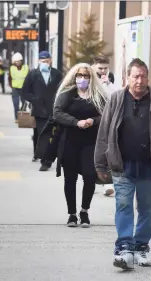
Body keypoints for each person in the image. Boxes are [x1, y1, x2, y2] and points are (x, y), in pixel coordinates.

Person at [94, 58, 151, 269]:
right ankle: (125, 247)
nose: (139, 80)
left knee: (146, 209)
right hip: (122, 165)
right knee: (124, 205)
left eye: (143, 76)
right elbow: (104, 132)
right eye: (135, 76)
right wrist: (100, 164)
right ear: (127, 78)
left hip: (150, 166)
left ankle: (141, 246)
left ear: (148, 78)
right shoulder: (116, 99)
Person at [53, 63, 107, 228]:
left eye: (86, 76)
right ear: (74, 77)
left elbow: (105, 115)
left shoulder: (97, 96)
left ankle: (84, 211)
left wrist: (93, 120)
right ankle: (72, 214)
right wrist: (76, 122)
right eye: (79, 76)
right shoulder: (67, 94)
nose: (82, 79)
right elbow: (57, 113)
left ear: (91, 78)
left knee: (90, 176)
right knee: (70, 179)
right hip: (70, 141)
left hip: (91, 143)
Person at [22, 51, 63, 171]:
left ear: (51, 61)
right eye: (42, 61)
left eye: (47, 61)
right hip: (39, 110)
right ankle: (45, 160)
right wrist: (35, 99)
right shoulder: (33, 74)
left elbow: (62, 89)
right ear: (39, 61)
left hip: (53, 109)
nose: (45, 63)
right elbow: (25, 92)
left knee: (50, 134)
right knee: (41, 134)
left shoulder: (56, 74)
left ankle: (46, 158)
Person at [92, 55, 119, 197]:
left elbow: (114, 96)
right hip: (92, 117)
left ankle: (107, 183)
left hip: (107, 117)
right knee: (94, 150)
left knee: (106, 150)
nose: (103, 71)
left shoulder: (110, 77)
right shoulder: (88, 76)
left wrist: (108, 83)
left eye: (105, 68)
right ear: (94, 66)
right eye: (100, 68)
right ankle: (92, 179)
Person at [8, 52, 29, 123]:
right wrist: (12, 86)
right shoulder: (12, 68)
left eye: (19, 61)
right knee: (15, 104)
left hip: (24, 89)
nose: (18, 62)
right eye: (16, 61)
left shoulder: (26, 67)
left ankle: (22, 115)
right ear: (14, 62)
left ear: (21, 61)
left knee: (24, 104)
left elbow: (29, 78)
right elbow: (9, 78)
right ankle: (17, 118)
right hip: (15, 89)